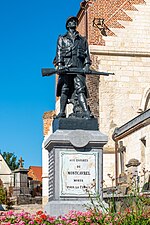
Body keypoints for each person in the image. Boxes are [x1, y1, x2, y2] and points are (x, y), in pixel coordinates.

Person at [54, 16, 93, 119]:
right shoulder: (62, 39)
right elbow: (59, 53)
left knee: (81, 89)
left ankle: (86, 112)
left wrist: (87, 65)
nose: (73, 22)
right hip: (66, 68)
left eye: (74, 21)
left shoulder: (82, 40)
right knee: (65, 89)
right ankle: (62, 112)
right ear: (67, 25)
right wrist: (60, 65)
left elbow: (86, 55)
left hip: (79, 68)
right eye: (70, 21)